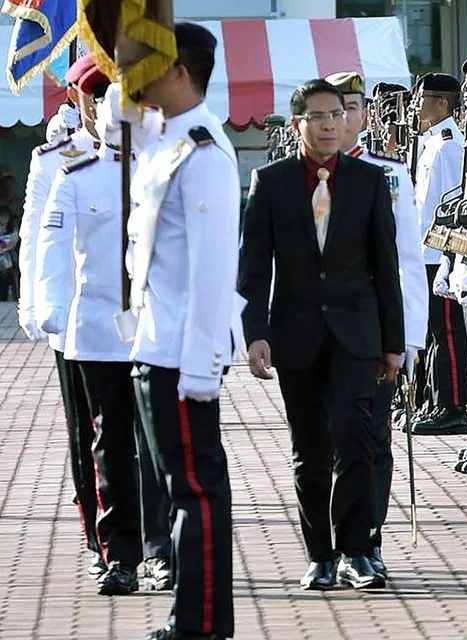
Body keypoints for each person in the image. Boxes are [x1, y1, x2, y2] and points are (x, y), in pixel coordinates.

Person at [239, 79, 404, 591]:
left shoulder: (370, 181)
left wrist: (393, 342)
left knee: (354, 436)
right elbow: (253, 266)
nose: (330, 124)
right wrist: (255, 333)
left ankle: (358, 551)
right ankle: (320, 555)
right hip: (297, 334)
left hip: (358, 333)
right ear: (298, 125)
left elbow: (386, 265)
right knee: (309, 448)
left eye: (337, 114)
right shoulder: (271, 182)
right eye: (318, 116)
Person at [119, 22, 239, 640]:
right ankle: (191, 618)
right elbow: (121, 108)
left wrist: (200, 368)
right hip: (154, 346)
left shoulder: (203, 152)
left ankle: (203, 624)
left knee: (196, 495)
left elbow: (213, 270)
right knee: (178, 494)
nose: (134, 75)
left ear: (179, 73)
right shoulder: (165, 141)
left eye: (147, 65)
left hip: (179, 357)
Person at [34, 64, 142, 596]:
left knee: (161, 443)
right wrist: (49, 304)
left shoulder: (165, 166)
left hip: (154, 331)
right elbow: (53, 244)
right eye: (105, 106)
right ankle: (120, 554)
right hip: (97, 331)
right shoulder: (75, 169)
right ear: (91, 109)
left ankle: (164, 550)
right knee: (110, 444)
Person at [325, 70, 428, 579]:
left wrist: (409, 337)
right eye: (334, 106)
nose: (342, 117)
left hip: (372, 334)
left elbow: (408, 261)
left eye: (352, 107)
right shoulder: (295, 174)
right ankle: (328, 544)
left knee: (372, 438)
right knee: (323, 440)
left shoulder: (389, 175)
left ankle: (367, 542)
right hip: (319, 334)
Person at [18, 53, 104, 579]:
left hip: (136, 314)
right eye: (94, 95)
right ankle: (99, 535)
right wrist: (34, 304)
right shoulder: (54, 158)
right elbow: (34, 233)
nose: (105, 104)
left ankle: (145, 531)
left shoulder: (152, 146)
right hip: (73, 312)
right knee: (84, 430)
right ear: (76, 98)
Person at [410, 73, 467, 435]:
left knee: (447, 333)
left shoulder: (449, 145)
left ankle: (452, 406)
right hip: (426, 249)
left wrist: (447, 255)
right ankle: (437, 400)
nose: (418, 106)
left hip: (439, 251)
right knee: (434, 333)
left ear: (442, 104)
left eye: (424, 99)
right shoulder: (433, 142)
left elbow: (451, 201)